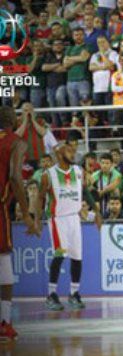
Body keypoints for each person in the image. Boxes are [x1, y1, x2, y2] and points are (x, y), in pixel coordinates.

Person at [37, 143, 102, 311]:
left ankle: (74, 293)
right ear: (58, 154)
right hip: (57, 220)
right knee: (60, 254)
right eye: (68, 150)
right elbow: (40, 198)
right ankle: (51, 295)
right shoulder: (48, 175)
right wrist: (36, 219)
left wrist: (96, 212)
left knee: (77, 257)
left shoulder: (78, 171)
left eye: (73, 150)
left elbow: (85, 192)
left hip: (74, 218)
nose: (73, 153)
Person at [0, 106, 39, 340]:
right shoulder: (16, 142)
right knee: (4, 265)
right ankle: (5, 321)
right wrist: (26, 214)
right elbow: (15, 176)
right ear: (13, 121)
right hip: (1, 208)